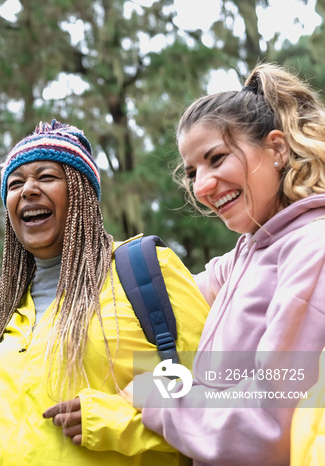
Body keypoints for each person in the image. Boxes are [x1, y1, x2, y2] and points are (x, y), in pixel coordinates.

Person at [0, 120, 209, 465]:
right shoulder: (12, 316)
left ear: (81, 192)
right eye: (15, 183)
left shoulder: (141, 271)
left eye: (47, 177)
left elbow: (216, 384)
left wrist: (115, 420)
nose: (28, 190)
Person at [122, 63, 325, 465]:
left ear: (278, 149)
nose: (201, 187)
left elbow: (269, 423)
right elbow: (162, 295)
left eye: (216, 159)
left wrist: (156, 396)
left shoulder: (311, 249)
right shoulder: (245, 255)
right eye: (193, 171)